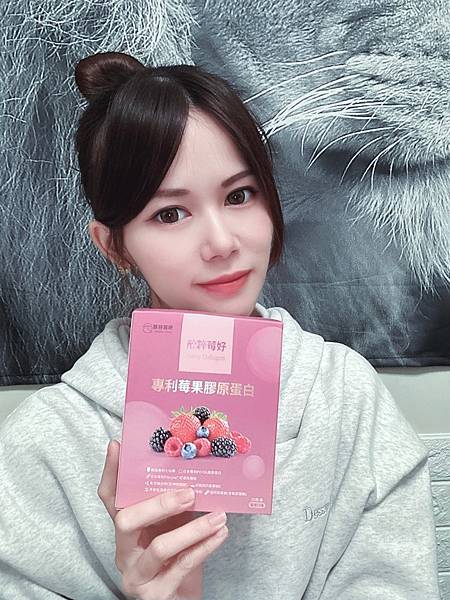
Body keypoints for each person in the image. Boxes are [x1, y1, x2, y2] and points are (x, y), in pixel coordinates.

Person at [0, 52, 440, 600]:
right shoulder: (46, 444)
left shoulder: (345, 396)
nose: (222, 243)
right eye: (169, 213)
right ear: (114, 246)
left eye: (239, 195)